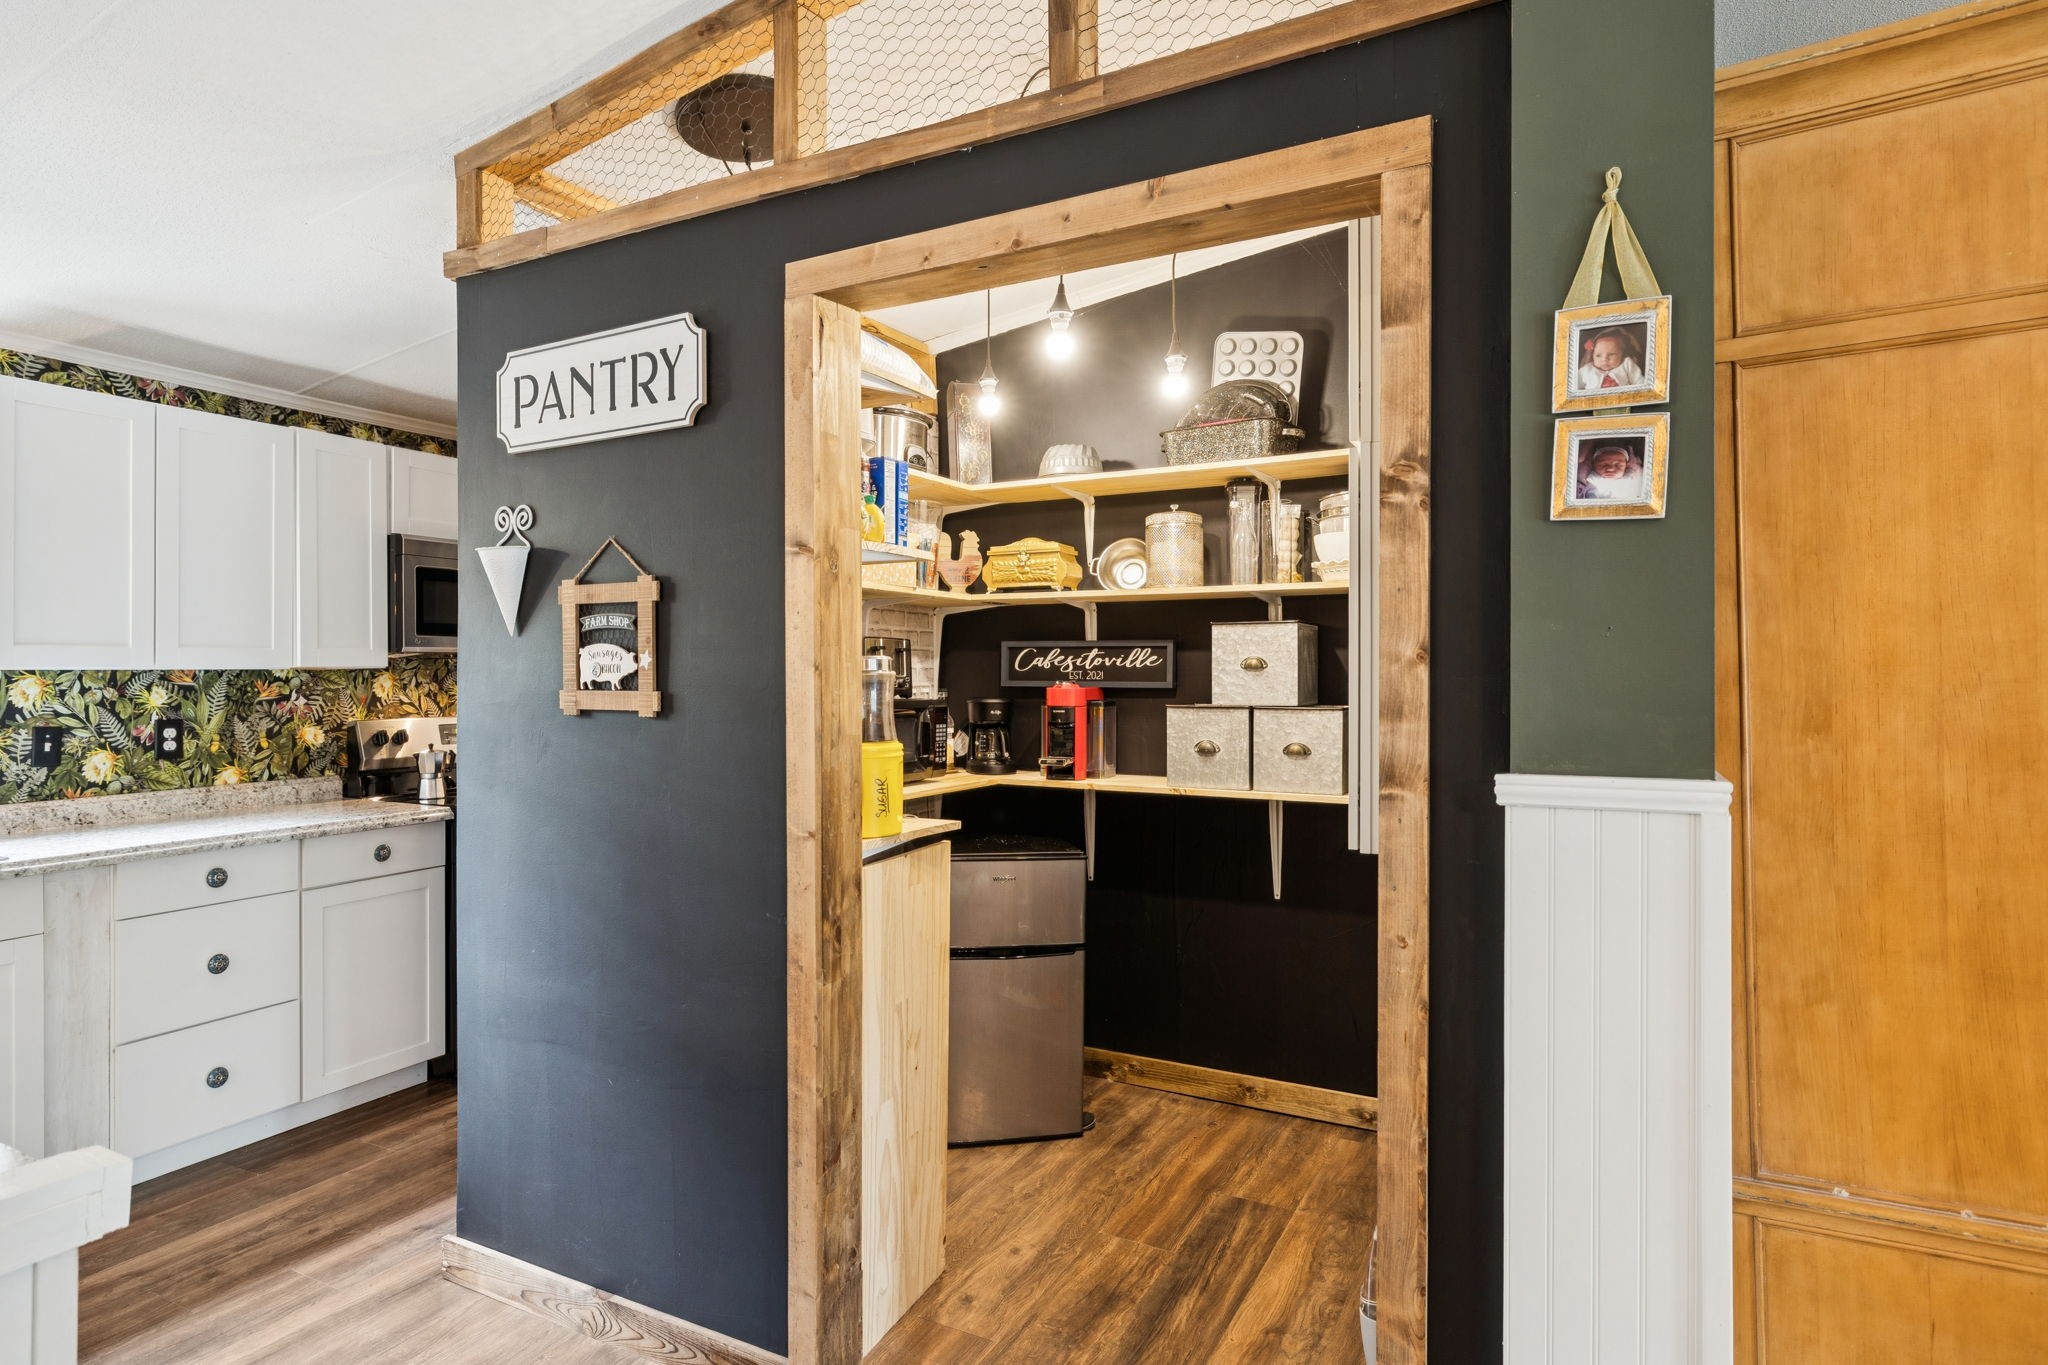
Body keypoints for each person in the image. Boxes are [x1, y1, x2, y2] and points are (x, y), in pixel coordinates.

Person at [1576, 327, 1645, 392]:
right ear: (1592, 356)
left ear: (1622, 354)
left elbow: (1639, 381)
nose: (1605, 359)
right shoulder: (1587, 370)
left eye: (1611, 354)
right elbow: (1574, 386)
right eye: (1598, 355)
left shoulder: (1626, 364)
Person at [1577, 443, 1644, 501]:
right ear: (1594, 465)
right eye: (1604, 464)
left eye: (1618, 465)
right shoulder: (1591, 479)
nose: (1610, 469)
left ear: (1626, 466)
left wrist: (1633, 463)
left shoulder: (1631, 476)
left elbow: (1640, 472)